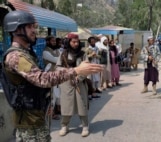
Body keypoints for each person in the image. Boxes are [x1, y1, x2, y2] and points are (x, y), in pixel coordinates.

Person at [2, 10, 103, 142]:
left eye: (34, 26)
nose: (34, 30)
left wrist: (46, 104)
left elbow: (33, 85)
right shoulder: (16, 56)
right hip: (29, 121)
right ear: (16, 30)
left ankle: (84, 125)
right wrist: (76, 71)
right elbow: (42, 79)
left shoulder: (26, 53)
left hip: (36, 116)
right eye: (29, 27)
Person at [56, 33, 92, 137]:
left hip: (80, 83)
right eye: (73, 42)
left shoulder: (82, 54)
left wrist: (78, 78)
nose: (76, 44)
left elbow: (87, 68)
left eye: (77, 42)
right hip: (66, 84)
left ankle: (85, 126)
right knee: (67, 106)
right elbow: (58, 68)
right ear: (69, 42)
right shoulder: (63, 55)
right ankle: (64, 126)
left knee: (82, 105)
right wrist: (68, 72)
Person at [43, 35, 61, 119]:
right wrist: (60, 58)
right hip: (50, 75)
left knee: (58, 93)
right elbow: (57, 60)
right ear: (47, 42)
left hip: (57, 74)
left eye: (54, 41)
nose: (54, 42)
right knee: (52, 95)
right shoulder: (45, 52)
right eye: (52, 41)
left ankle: (58, 109)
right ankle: (51, 113)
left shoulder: (57, 50)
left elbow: (62, 58)